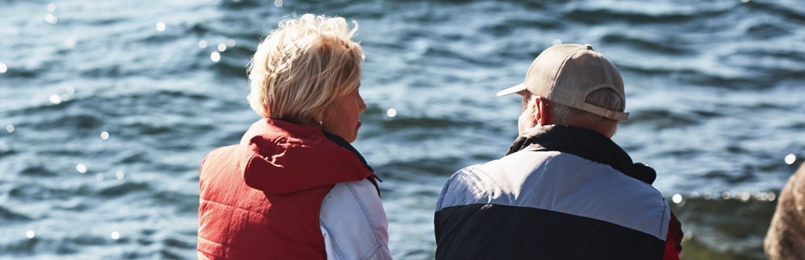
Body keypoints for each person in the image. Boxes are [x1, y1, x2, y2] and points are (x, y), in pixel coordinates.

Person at [434, 44, 683, 259]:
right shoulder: (651, 214)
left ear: (539, 111)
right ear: (613, 124)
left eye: (524, 105)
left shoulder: (462, 191)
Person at [198, 14, 391, 260]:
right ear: (322, 102)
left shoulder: (214, 167)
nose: (362, 105)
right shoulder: (346, 191)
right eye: (355, 91)